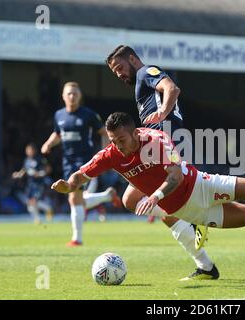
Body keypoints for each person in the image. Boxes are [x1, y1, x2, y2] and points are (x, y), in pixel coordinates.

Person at [51, 113, 245, 272]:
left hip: (201, 187)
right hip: (188, 211)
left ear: (136, 133)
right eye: (113, 140)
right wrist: (69, 184)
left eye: (122, 139)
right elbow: (82, 172)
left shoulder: (155, 140)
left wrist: (155, 197)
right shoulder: (111, 154)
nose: (118, 146)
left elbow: (176, 175)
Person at [106, 46, 217, 280]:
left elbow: (172, 88)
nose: (118, 74)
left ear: (133, 59)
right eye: (114, 71)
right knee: (152, 208)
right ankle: (206, 266)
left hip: (162, 147)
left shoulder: (146, 72)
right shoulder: (140, 82)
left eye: (119, 67)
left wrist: (163, 112)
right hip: (156, 149)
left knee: (134, 200)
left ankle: (194, 218)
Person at [41, 82, 122, 246]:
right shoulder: (59, 115)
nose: (72, 96)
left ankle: (77, 239)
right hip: (67, 161)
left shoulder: (88, 114)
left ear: (80, 96)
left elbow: (103, 132)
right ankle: (107, 196)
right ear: (63, 96)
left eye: (75, 94)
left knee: (74, 197)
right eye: (69, 93)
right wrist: (48, 144)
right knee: (77, 199)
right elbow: (58, 133)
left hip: (84, 160)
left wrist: (106, 152)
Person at [12, 143, 53, 224]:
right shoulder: (27, 160)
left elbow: (48, 169)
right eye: (27, 150)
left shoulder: (40, 159)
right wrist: (17, 174)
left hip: (39, 184)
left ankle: (46, 210)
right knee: (30, 203)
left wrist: (40, 174)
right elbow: (24, 171)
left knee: (34, 201)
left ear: (34, 150)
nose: (28, 152)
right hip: (30, 184)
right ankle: (39, 217)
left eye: (30, 150)